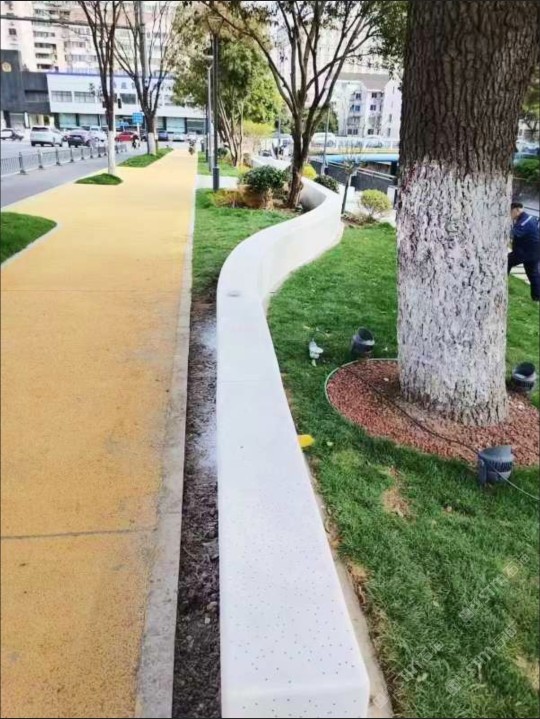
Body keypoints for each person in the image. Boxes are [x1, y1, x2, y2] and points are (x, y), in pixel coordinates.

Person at [508, 201, 540, 301]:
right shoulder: (530, 218)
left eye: (511, 211)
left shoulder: (524, 221)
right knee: (533, 274)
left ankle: (501, 282)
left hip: (526, 251)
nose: (510, 214)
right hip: (534, 251)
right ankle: (537, 297)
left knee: (506, 262)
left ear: (517, 210)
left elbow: (512, 233)